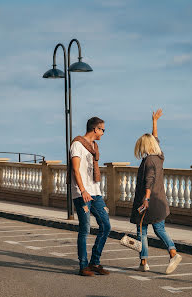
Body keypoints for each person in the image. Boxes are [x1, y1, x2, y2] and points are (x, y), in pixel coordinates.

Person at [129, 109, 182, 274]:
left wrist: (145, 200)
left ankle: (153, 259)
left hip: (149, 201)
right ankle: (151, 259)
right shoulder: (159, 156)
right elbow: (155, 138)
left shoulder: (149, 161)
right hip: (158, 201)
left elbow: (149, 180)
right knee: (157, 229)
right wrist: (155, 122)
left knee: (143, 231)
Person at [71, 117, 111, 277]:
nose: (103, 133)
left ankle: (95, 262)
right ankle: (83, 265)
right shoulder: (77, 145)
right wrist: (83, 190)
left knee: (106, 226)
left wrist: (94, 191)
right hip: (82, 193)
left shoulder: (94, 146)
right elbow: (75, 170)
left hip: (95, 192)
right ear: (95, 129)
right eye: (102, 130)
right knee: (85, 228)